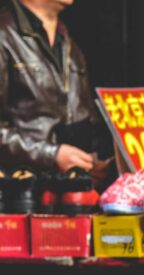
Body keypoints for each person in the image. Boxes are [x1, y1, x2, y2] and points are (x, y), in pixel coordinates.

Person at [0, 0, 105, 173]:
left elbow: (83, 115)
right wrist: (50, 155)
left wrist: (97, 162)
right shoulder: (4, 34)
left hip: (69, 188)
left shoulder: (68, 41)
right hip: (20, 189)